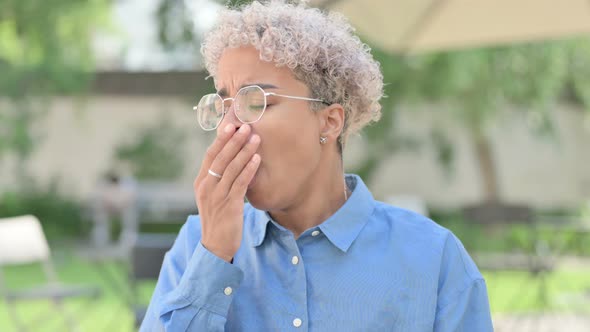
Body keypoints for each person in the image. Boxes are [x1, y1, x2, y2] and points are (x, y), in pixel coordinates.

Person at [140, 1, 493, 331]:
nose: (228, 127)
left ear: (329, 121)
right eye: (222, 105)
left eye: (255, 101)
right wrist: (214, 255)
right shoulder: (196, 245)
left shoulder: (434, 260)